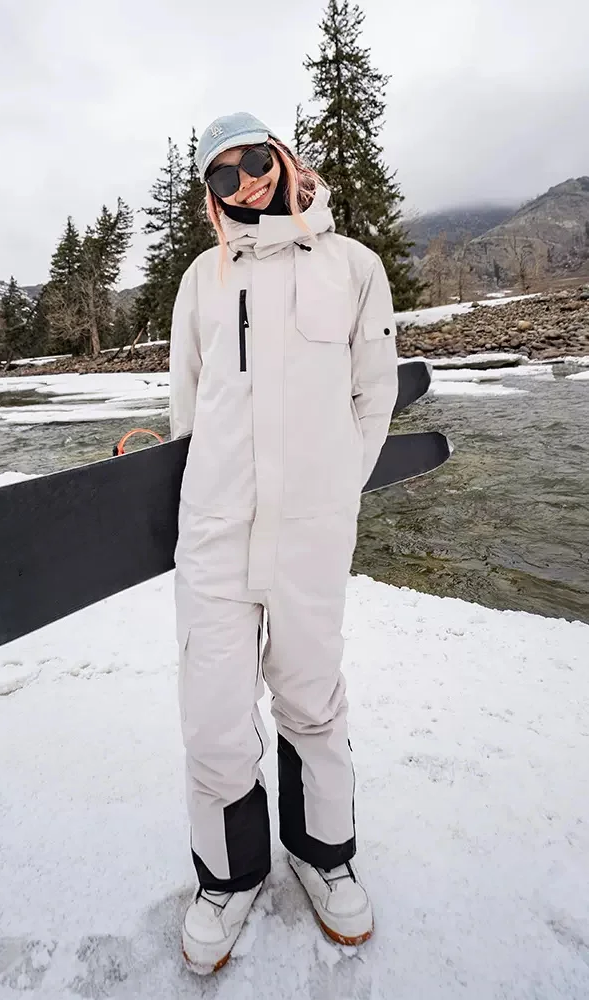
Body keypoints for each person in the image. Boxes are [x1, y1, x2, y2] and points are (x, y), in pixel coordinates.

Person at [169, 111, 398, 975]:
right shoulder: (201, 279)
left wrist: (336, 489)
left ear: (284, 157)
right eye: (223, 177)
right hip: (217, 533)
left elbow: (373, 397)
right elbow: (187, 411)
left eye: (256, 162)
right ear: (210, 196)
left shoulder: (354, 267)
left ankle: (324, 853)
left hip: (309, 533)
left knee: (311, 701)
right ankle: (227, 876)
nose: (247, 184)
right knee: (215, 718)